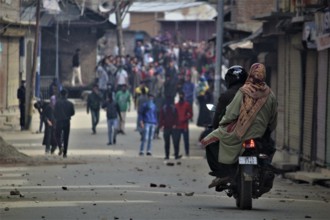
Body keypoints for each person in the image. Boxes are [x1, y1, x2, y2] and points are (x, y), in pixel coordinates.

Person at [201, 63, 278, 188]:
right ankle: (265, 168)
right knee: (269, 147)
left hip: (240, 133)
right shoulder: (270, 94)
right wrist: (268, 130)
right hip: (261, 135)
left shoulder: (244, 92)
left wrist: (223, 125)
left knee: (208, 141)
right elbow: (273, 119)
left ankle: (223, 172)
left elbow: (231, 113)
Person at [205, 65, 248, 177]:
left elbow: (218, 117)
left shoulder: (227, 95)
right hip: (255, 131)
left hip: (232, 132)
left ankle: (221, 171)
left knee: (208, 142)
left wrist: (215, 126)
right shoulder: (254, 93)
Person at [54, 89, 75, 158]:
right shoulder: (70, 103)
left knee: (57, 135)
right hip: (67, 121)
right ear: (66, 95)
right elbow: (73, 113)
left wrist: (57, 117)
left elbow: (54, 112)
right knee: (66, 137)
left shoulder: (57, 103)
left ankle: (60, 146)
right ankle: (65, 153)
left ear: (60, 94)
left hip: (59, 121)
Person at [173, 91, 193, 158]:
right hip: (178, 125)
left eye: (182, 95)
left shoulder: (187, 104)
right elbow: (173, 115)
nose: (181, 96)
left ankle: (187, 152)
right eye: (180, 95)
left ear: (184, 96)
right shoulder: (176, 105)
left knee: (186, 140)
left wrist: (185, 118)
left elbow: (191, 114)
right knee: (176, 140)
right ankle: (176, 153)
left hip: (184, 126)